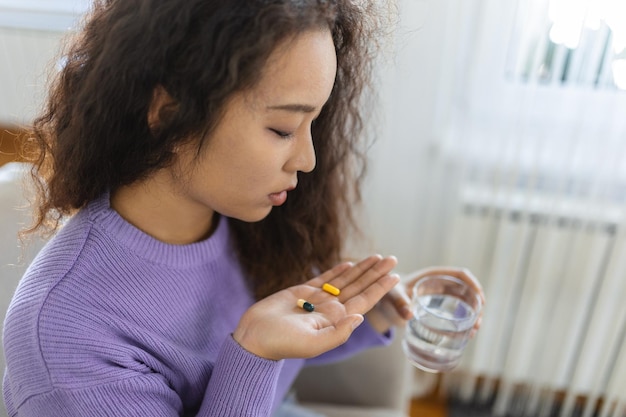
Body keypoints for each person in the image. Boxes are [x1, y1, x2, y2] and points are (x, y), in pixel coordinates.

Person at [2, 0, 483, 416]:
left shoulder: (230, 214)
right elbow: (259, 357)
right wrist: (253, 353)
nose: (308, 159)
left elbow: (286, 346)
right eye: (281, 130)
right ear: (167, 112)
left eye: (315, 122)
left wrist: (371, 313)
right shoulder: (67, 341)